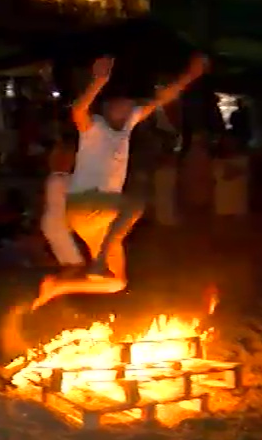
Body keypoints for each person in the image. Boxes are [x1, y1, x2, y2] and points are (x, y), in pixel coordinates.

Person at [31, 53, 208, 309]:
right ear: (105, 109)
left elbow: (159, 99)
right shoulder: (95, 128)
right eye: (120, 105)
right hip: (87, 201)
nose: (127, 109)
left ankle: (58, 287)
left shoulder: (127, 126)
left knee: (117, 283)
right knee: (135, 204)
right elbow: (79, 111)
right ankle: (99, 259)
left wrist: (189, 77)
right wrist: (98, 81)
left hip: (101, 218)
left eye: (129, 106)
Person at [40, 130, 83, 274]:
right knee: (74, 263)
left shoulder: (56, 178)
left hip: (56, 225)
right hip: (57, 226)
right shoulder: (62, 180)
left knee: (70, 262)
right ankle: (57, 289)